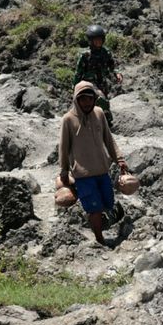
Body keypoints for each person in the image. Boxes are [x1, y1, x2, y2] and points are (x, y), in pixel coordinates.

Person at [59, 81, 128, 246]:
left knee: (108, 203)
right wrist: (63, 170)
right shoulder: (68, 119)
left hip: (102, 170)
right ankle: (99, 238)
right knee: (95, 209)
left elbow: (108, 139)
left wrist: (119, 159)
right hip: (83, 175)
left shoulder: (99, 113)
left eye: (90, 99)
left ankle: (98, 223)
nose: (87, 103)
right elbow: (63, 147)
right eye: (83, 99)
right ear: (76, 100)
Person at [73, 25, 123, 126]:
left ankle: (104, 123)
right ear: (91, 41)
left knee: (101, 104)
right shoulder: (85, 55)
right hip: (89, 84)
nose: (98, 42)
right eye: (96, 40)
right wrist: (75, 88)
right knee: (101, 100)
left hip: (102, 83)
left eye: (100, 40)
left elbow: (112, 65)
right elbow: (78, 73)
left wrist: (117, 73)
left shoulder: (105, 52)